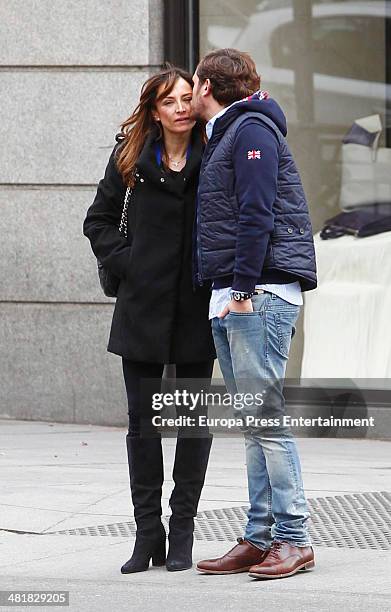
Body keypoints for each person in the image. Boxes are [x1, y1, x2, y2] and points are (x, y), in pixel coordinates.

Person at [83, 65, 216, 574]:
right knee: (143, 427)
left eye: (188, 98)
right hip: (141, 309)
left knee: (192, 425)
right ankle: (147, 535)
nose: (182, 108)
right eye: (170, 101)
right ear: (154, 111)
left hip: (197, 311)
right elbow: (96, 220)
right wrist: (128, 262)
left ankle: (182, 532)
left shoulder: (215, 155)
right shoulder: (130, 162)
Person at [190, 48, 317, 579]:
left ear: (209, 86)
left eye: (195, 83)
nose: (190, 92)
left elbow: (257, 211)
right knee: (252, 424)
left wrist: (242, 288)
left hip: (257, 293)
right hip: (235, 294)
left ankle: (294, 538)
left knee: (265, 420)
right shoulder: (226, 134)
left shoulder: (251, 131)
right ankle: (260, 535)